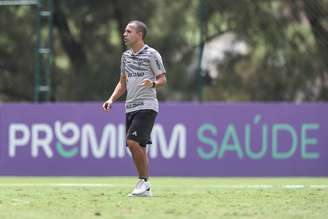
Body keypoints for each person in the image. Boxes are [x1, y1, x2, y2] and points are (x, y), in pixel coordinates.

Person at [102, 20, 167, 197]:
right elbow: (122, 83)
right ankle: (145, 185)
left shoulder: (152, 54)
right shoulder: (125, 56)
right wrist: (111, 99)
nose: (125, 34)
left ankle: (144, 182)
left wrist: (152, 83)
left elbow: (162, 79)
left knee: (132, 142)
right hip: (130, 107)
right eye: (124, 31)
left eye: (128, 31)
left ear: (139, 35)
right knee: (140, 147)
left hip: (147, 105)